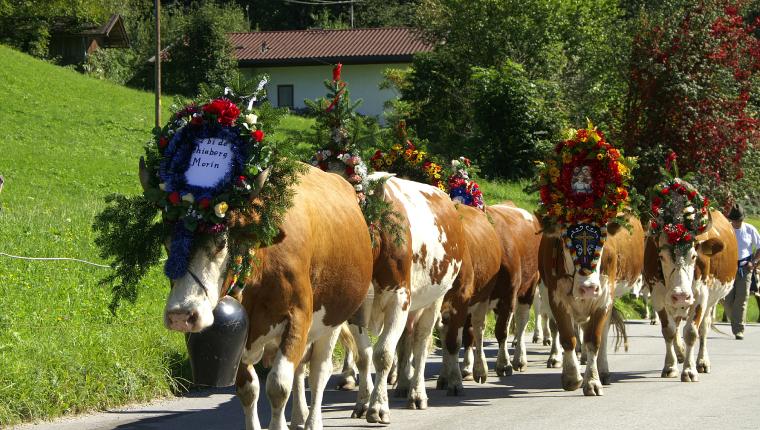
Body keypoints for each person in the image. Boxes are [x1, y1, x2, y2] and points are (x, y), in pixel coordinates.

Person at [724, 204, 760, 339]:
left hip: (745, 268)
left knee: (742, 298)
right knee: (727, 300)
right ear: (731, 219)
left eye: (739, 220)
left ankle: (739, 329)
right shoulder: (726, 229)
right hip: (728, 267)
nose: (737, 223)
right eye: (734, 220)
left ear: (742, 219)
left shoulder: (750, 229)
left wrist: (754, 262)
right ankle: (735, 321)